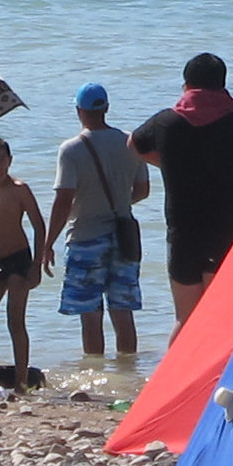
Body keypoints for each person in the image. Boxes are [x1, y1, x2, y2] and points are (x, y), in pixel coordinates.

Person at [135, 54, 233, 327]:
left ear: (186, 85)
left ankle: (177, 359)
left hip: (183, 234)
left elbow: (134, 144)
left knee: (185, 321)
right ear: (223, 86)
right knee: (224, 322)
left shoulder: (166, 123)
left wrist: (170, 165)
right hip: (230, 233)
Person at [46, 83, 149, 359]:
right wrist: (120, 204)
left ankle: (95, 372)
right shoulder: (131, 143)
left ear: (78, 111)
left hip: (85, 237)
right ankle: (127, 371)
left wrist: (47, 243)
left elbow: (63, 200)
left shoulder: (71, 149)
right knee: (123, 311)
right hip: (123, 236)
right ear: (106, 108)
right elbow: (142, 190)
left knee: (90, 315)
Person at [0, 136, 47, 388]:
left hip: (18, 260)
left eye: (2, 159)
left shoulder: (19, 189)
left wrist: (36, 265)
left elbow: (39, 226)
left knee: (15, 320)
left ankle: (21, 382)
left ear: (10, 160)